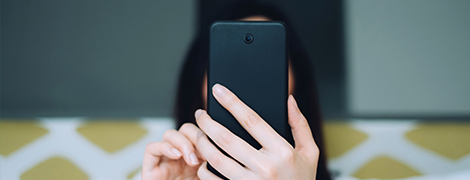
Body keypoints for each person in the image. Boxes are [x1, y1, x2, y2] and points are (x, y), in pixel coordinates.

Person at [142, 2, 331, 180]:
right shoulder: (168, 171)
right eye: (232, 67)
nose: (250, 83)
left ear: (298, 81)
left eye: (267, 62)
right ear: (197, 82)